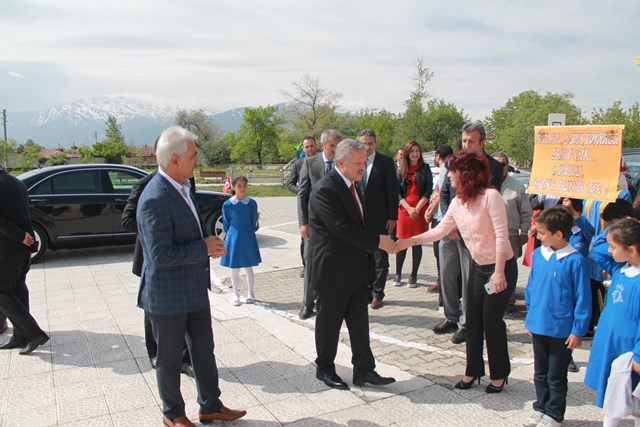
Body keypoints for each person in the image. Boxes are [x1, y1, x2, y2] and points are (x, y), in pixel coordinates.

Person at [136, 126, 245, 426]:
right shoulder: (155, 198)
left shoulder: (182, 187)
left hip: (193, 290)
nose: (197, 161)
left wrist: (207, 247)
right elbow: (159, 255)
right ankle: (173, 414)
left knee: (203, 351)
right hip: (167, 295)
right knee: (170, 360)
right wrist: (203, 247)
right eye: (193, 156)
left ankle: (210, 405)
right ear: (173, 161)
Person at [397, 149, 515, 393]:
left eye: (452, 174)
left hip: (500, 267)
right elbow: (438, 232)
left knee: (491, 322)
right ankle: (473, 371)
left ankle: (499, 374)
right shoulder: (458, 202)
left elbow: (503, 237)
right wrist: (408, 241)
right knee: (471, 321)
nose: (448, 178)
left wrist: (500, 272)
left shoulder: (490, 197)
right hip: (477, 267)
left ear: (467, 174)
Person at [309, 138, 396, 390]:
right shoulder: (326, 189)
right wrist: (377, 242)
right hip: (332, 273)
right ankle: (324, 369)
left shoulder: (355, 185)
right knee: (329, 325)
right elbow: (343, 230)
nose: (363, 166)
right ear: (341, 162)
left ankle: (364, 370)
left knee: (360, 325)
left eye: (364, 161)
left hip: (356, 271)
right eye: (358, 163)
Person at [434, 121, 504, 344]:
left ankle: (467, 322)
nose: (466, 144)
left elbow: (485, 200)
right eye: (463, 140)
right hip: (451, 229)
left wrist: (461, 225)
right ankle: (450, 316)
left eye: (471, 141)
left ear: (482, 142)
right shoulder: (453, 162)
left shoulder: (492, 166)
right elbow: (445, 194)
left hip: (473, 234)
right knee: (446, 273)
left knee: (468, 278)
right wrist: (451, 222)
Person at [121, 165, 195, 375]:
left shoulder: (188, 183)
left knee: (184, 309)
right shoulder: (146, 185)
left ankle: (185, 357)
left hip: (183, 257)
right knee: (152, 309)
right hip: (154, 258)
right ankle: (154, 352)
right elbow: (126, 220)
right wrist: (158, 227)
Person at [522, 207, 591, 427]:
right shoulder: (538, 255)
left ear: (559, 234)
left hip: (561, 329)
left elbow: (582, 298)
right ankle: (540, 407)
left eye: (542, 232)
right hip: (538, 324)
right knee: (539, 372)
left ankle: (554, 414)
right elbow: (531, 287)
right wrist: (530, 316)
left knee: (556, 375)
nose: (538, 235)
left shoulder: (575, 260)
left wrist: (578, 330)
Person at [584, 218, 640, 426]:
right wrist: (613, 229)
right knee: (610, 388)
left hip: (629, 346)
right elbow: (596, 251)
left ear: (632, 249)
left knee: (633, 394)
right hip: (610, 340)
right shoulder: (619, 268)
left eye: (613, 246)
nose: (609, 250)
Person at [0, 165, 49, 356]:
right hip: (22, 249)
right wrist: (27, 238)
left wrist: (19, 235)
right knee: (19, 290)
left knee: (3, 292)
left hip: (5, 249)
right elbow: (23, 214)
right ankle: (20, 336)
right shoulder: (17, 182)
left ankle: (32, 334)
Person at [297, 129, 341, 320]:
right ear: (323, 146)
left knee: (334, 265)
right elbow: (302, 194)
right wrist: (303, 223)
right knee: (311, 263)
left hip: (336, 226)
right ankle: (308, 304)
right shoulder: (309, 163)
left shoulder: (342, 164)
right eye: (332, 146)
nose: (335, 150)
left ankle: (329, 302)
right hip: (313, 226)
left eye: (337, 146)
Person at [357, 129, 399, 309]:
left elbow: (392, 191)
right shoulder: (355, 161)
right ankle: (366, 290)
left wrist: (392, 217)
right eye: (363, 143)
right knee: (363, 257)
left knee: (380, 257)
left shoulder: (386, 162)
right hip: (360, 219)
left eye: (370, 143)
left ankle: (378, 293)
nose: (366, 147)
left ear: (375, 143)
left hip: (380, 218)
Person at [492, 151, 532, 311]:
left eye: (503, 164)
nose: (499, 167)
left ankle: (508, 300)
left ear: (508, 166)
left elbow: (526, 212)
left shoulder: (517, 186)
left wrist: (524, 232)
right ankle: (492, 297)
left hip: (510, 234)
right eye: (496, 164)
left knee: (508, 268)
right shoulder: (484, 183)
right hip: (489, 234)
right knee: (491, 267)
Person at [394, 140, 433, 288]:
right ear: (407, 153)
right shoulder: (401, 170)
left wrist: (417, 208)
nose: (415, 154)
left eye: (417, 151)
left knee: (417, 244)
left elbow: (428, 190)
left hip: (420, 210)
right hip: (404, 211)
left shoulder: (425, 168)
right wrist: (409, 209)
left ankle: (414, 275)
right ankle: (398, 273)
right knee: (402, 243)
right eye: (412, 151)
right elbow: (396, 192)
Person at [219, 176, 262, 306]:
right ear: (233, 187)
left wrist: (248, 230)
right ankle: (236, 294)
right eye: (239, 186)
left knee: (248, 266)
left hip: (247, 235)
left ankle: (250, 292)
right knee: (235, 267)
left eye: (244, 185)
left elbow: (253, 219)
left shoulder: (251, 203)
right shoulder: (228, 204)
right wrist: (231, 233)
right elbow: (226, 222)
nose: (242, 188)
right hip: (233, 237)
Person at [424, 144, 454, 295]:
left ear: (437, 156)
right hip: (441, 216)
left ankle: (442, 282)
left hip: (442, 218)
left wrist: (430, 210)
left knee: (440, 252)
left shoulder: (445, 169)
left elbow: (442, 193)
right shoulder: (449, 168)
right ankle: (441, 280)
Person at [287, 136, 317, 277]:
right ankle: (306, 266)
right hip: (305, 205)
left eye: (311, 145)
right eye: (307, 146)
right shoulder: (298, 164)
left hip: (320, 205)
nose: (309, 149)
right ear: (303, 148)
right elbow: (290, 183)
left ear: (316, 146)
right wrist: (301, 191)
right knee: (305, 238)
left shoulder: (321, 161)